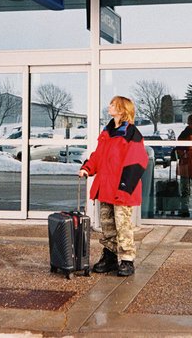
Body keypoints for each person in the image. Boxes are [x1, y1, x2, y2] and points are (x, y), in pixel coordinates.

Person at [78, 96, 148, 277]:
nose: (109, 107)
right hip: (106, 187)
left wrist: (125, 187)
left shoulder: (131, 133)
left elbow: (137, 161)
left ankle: (127, 260)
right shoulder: (107, 132)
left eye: (113, 105)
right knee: (107, 224)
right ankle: (110, 257)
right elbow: (98, 156)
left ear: (122, 109)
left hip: (122, 189)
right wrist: (87, 168)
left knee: (123, 225)